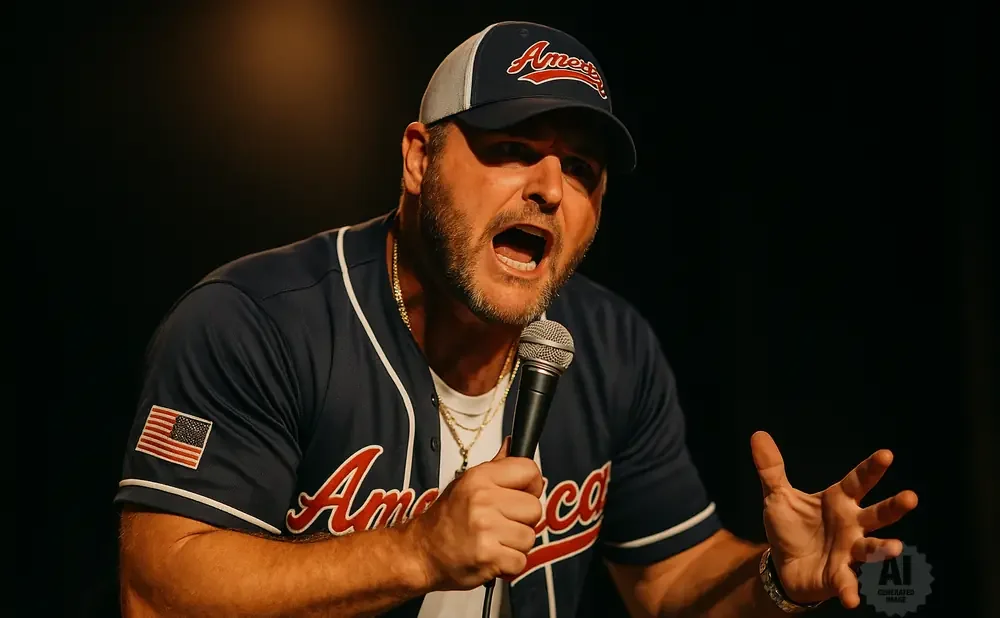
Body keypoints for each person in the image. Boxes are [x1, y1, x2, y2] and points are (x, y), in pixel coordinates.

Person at [115, 20, 918, 618]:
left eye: (582, 169)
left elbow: (672, 583)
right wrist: (416, 550)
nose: (549, 187)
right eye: (511, 147)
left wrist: (776, 579)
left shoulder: (609, 347)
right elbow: (159, 594)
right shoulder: (257, 322)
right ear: (419, 159)